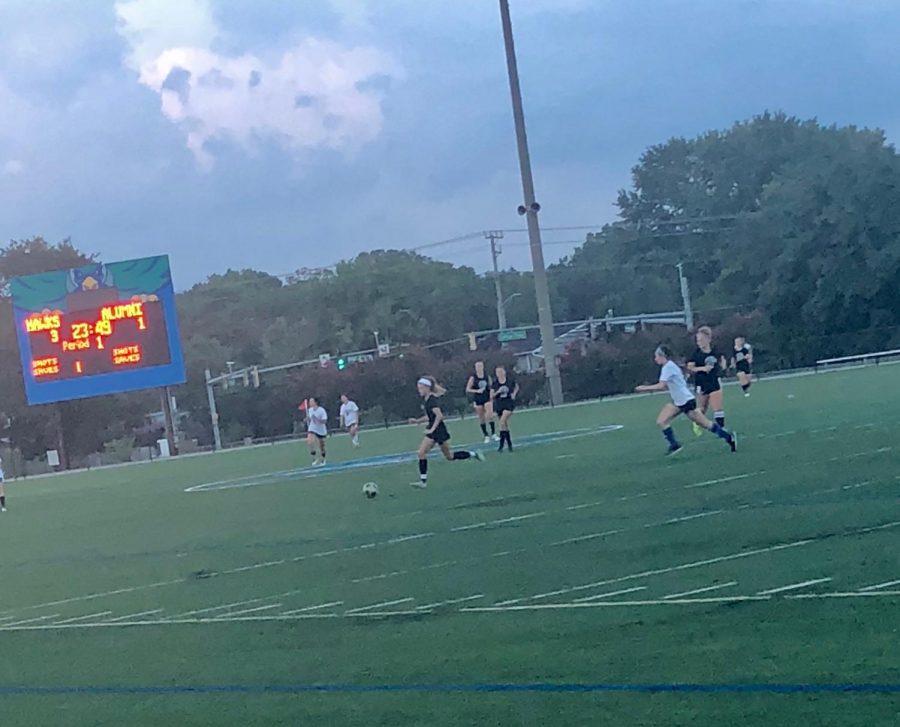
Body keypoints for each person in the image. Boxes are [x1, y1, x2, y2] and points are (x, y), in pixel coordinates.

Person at [635, 345, 737, 456]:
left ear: (662, 356)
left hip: (686, 401)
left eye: (656, 356)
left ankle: (728, 437)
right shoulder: (670, 366)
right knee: (663, 421)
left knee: (704, 424)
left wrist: (644, 388)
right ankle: (674, 445)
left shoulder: (668, 367)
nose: (655, 359)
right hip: (679, 401)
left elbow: (662, 385)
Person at [409, 376, 484, 488]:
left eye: (420, 388)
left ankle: (473, 454)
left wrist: (432, 429)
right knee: (422, 453)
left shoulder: (431, 400)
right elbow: (430, 416)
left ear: (427, 388)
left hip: (439, 431)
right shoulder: (427, 400)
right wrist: (417, 421)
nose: (419, 390)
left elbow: (439, 416)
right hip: (433, 430)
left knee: (449, 456)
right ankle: (423, 481)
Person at [686, 326, 727, 436]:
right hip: (701, 383)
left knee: (717, 407)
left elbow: (722, 361)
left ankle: (721, 430)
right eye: (697, 341)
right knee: (702, 409)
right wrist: (702, 369)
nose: (699, 343)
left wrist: (723, 365)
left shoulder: (715, 350)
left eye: (701, 340)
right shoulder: (695, 354)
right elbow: (690, 368)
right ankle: (697, 423)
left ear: (708, 339)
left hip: (714, 381)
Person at [466, 361, 497, 444]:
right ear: (475, 368)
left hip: (487, 397)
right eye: (477, 366)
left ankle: (493, 434)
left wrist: (491, 395)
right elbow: (468, 389)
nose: (479, 368)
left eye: (480, 366)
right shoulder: (473, 377)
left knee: (489, 415)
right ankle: (486, 435)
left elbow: (491, 387)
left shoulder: (487, 376)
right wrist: (477, 390)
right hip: (478, 399)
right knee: (481, 418)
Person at [491, 365, 520, 452]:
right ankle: (509, 445)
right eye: (497, 372)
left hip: (508, 403)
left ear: (504, 372)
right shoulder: (495, 384)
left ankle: (501, 446)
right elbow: (491, 396)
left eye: (501, 372)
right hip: (500, 404)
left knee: (502, 422)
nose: (499, 374)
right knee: (504, 425)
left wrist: (514, 394)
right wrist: (498, 392)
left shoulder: (509, 381)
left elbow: (516, 386)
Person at [304, 397, 328, 466]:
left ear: (315, 402)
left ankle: (323, 459)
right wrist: (306, 419)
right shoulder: (310, 410)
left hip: (321, 429)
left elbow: (324, 421)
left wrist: (317, 419)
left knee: (322, 446)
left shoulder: (321, 410)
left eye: (311, 401)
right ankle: (314, 457)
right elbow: (309, 418)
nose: (310, 403)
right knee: (310, 441)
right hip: (313, 428)